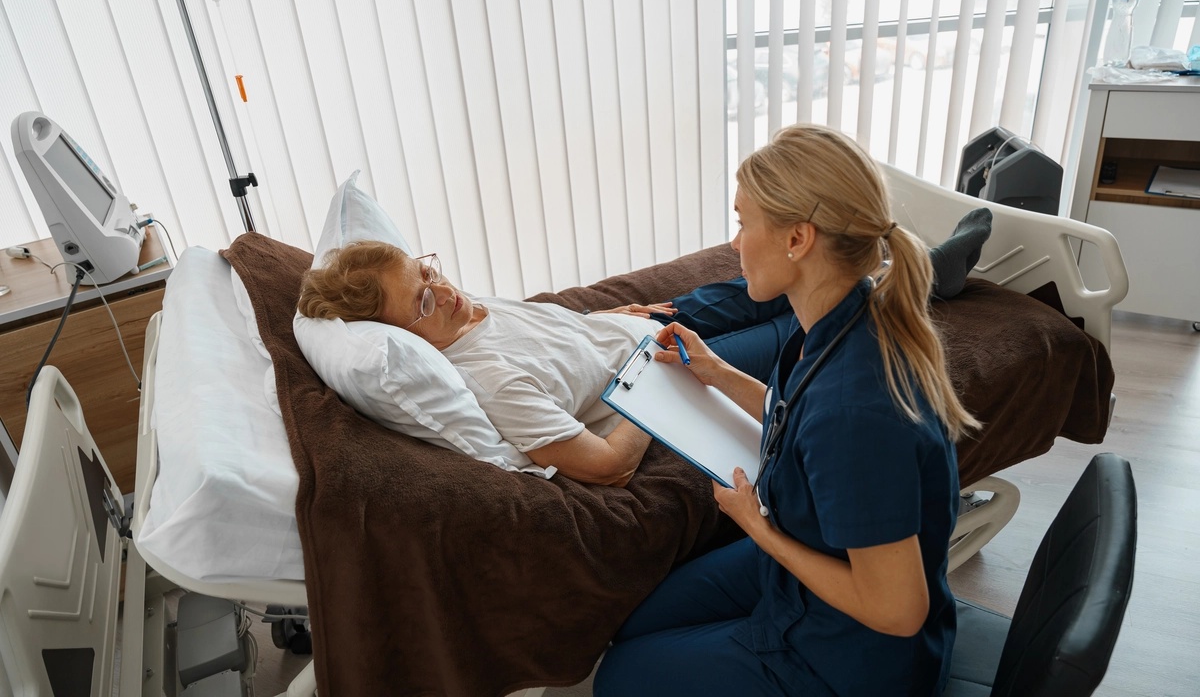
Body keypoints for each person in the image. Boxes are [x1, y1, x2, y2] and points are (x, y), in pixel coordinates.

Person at [593, 124, 980, 697]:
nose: (734, 243)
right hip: (805, 568)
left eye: (743, 222)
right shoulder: (840, 320)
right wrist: (717, 374)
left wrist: (756, 526)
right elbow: (795, 410)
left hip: (849, 660)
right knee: (633, 625)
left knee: (621, 679)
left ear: (798, 239)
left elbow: (898, 612)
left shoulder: (857, 414)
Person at [296, 241, 796, 487]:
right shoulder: (492, 385)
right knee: (795, 326)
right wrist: (655, 382)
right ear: (399, 333)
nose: (446, 292)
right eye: (422, 301)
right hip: (674, 366)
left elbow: (545, 341)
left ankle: (867, 264)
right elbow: (608, 467)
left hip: (647, 326)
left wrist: (596, 318)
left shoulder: (458, 313)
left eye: (427, 272)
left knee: (775, 280)